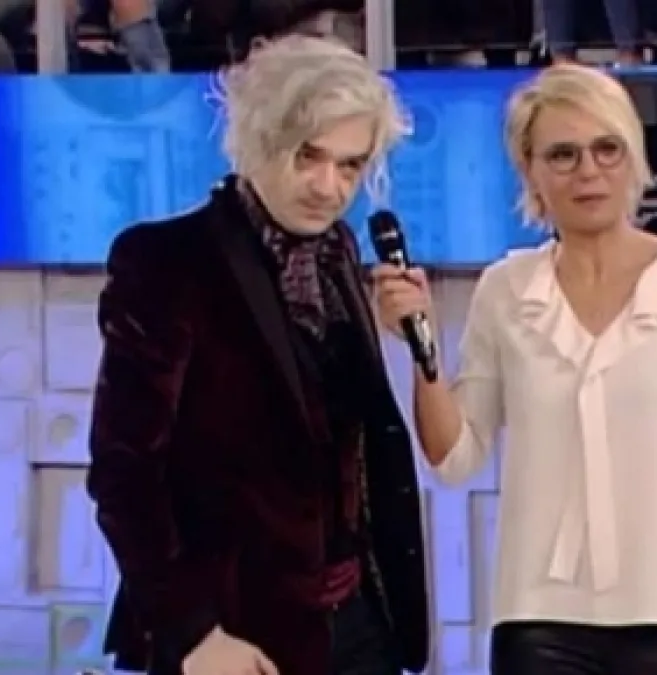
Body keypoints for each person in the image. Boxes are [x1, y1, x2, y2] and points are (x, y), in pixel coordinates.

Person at [374, 63, 657, 675]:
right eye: (562, 155)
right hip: (538, 620)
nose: (588, 171)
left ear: (633, 158)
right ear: (530, 171)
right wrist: (421, 345)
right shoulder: (506, 289)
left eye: (606, 149)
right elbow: (455, 457)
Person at [87, 35, 430, 675]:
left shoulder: (338, 251)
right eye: (308, 156)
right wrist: (194, 634)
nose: (328, 186)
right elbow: (124, 472)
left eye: (350, 166)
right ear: (257, 141)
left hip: (359, 622)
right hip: (234, 632)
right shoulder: (167, 260)